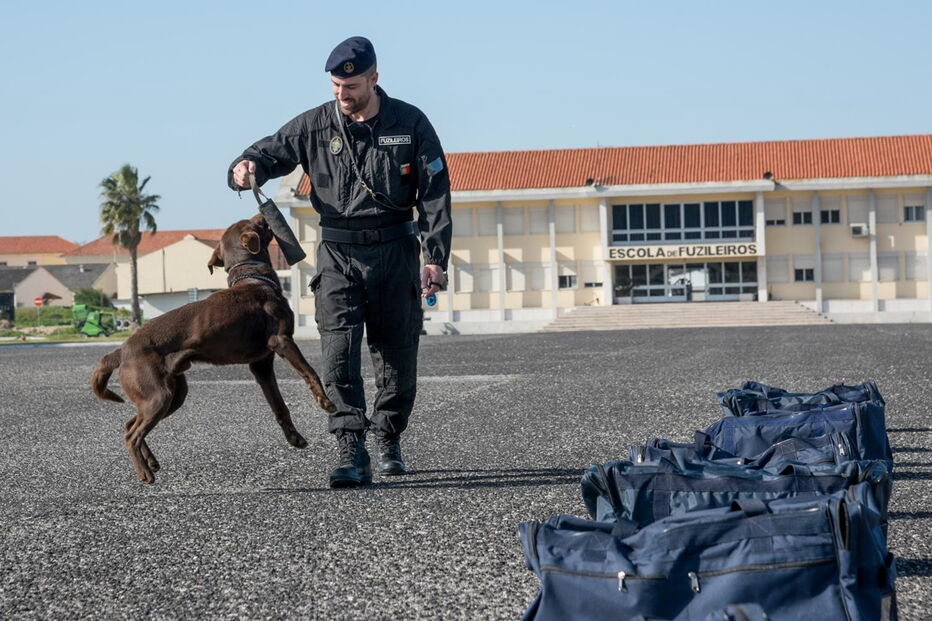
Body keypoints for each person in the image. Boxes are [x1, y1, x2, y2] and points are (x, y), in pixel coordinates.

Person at [228, 36, 452, 488]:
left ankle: (388, 437)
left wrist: (435, 257)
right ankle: (351, 447)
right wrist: (244, 165)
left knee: (397, 355)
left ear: (374, 78)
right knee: (338, 354)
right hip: (337, 255)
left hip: (396, 251)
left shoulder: (411, 123)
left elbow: (434, 195)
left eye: (350, 87)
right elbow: (267, 152)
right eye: (335, 87)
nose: (342, 95)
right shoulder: (313, 126)